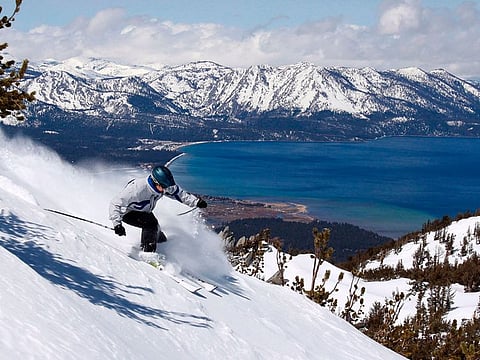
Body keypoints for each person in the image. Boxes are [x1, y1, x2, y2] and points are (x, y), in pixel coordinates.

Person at [109, 165, 207, 252]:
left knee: (156, 230)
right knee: (151, 224)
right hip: (128, 213)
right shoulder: (137, 189)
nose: (166, 189)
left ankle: (161, 244)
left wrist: (196, 202)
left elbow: (179, 194)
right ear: (156, 182)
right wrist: (117, 224)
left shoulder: (164, 187)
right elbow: (115, 203)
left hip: (144, 212)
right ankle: (148, 253)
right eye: (164, 187)